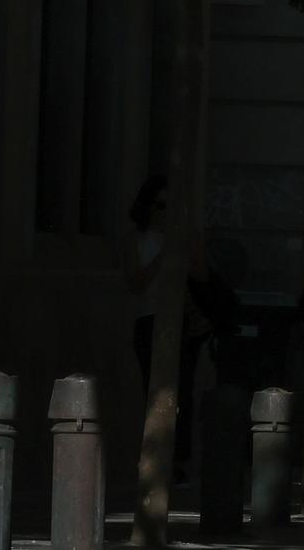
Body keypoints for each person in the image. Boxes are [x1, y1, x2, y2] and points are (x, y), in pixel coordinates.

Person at [124, 176, 207, 482]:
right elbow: (135, 283)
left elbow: (201, 274)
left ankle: (179, 459)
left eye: (172, 206)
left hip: (182, 320)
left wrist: (184, 247)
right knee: (154, 389)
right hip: (149, 319)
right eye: (160, 205)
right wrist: (163, 255)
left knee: (183, 389)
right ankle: (155, 455)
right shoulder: (137, 239)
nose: (165, 212)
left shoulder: (186, 236)